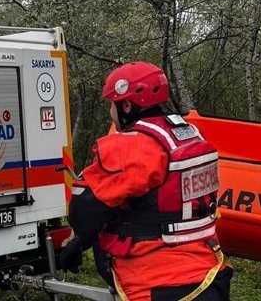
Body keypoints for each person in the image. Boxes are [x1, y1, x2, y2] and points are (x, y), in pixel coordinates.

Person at [59, 62, 231, 301]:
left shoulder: (132, 145)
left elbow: (86, 210)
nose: (111, 112)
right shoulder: (189, 134)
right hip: (208, 271)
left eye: (112, 105)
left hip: (156, 280)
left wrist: (79, 240)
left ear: (126, 106)